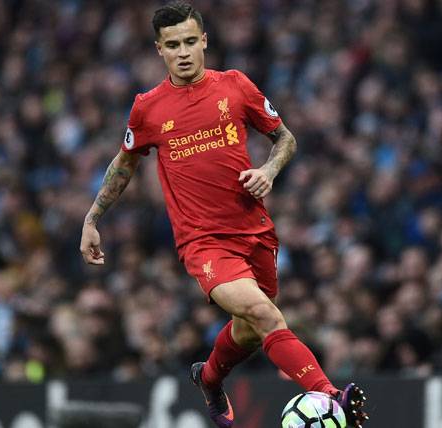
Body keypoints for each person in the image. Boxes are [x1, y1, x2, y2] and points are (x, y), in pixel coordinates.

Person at [79, 2, 367, 427]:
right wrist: (92, 218)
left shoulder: (235, 86)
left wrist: (269, 171)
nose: (183, 53)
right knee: (265, 315)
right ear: (159, 49)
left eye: (190, 42)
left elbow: (285, 139)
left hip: (255, 230)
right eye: (172, 45)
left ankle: (209, 378)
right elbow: (125, 163)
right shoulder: (148, 108)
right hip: (203, 242)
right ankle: (329, 396)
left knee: (248, 329)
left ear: (204, 41)